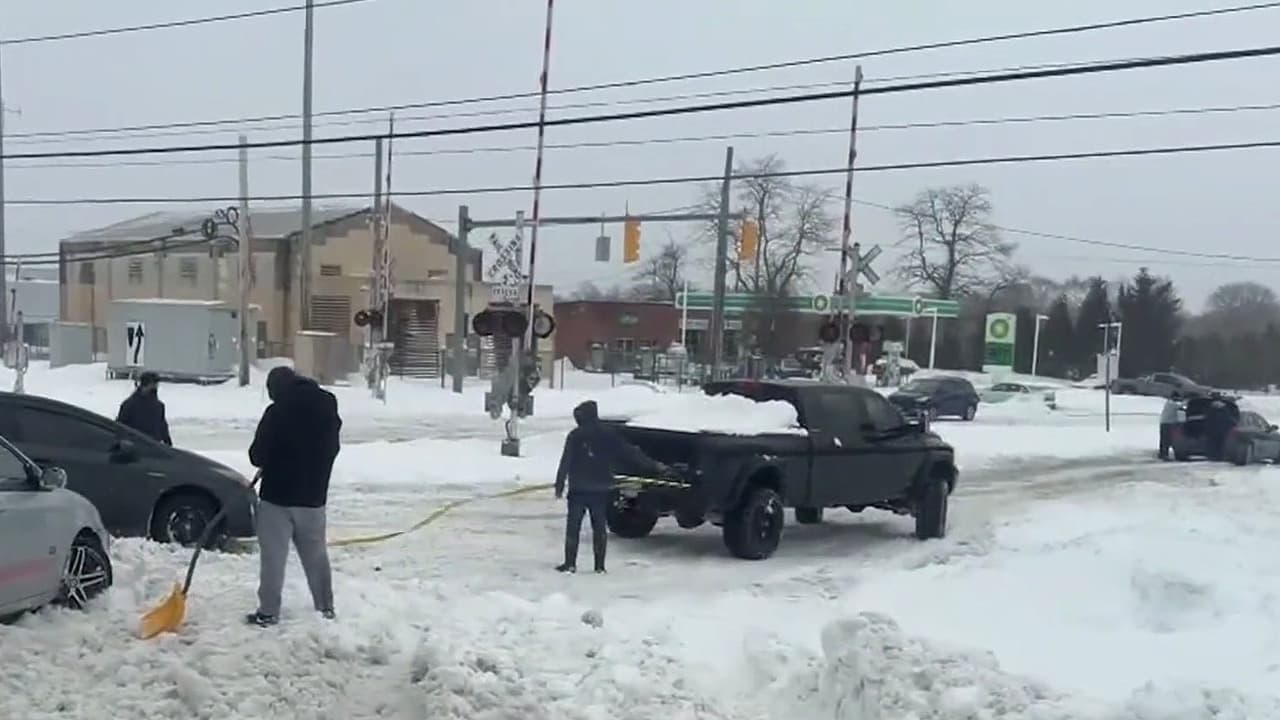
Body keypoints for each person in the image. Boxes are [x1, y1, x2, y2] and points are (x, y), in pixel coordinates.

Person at [245, 366, 342, 627]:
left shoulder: (276, 412)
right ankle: (325, 608)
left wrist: (276, 458)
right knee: (316, 557)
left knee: (273, 559)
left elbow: (257, 455)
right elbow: (333, 447)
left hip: (277, 498)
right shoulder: (327, 405)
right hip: (313, 497)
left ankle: (268, 612)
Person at [554, 400, 665, 574]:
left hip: (578, 490)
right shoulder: (608, 434)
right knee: (599, 527)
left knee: (573, 527)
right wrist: (655, 466)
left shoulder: (575, 435)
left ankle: (570, 564)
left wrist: (559, 484)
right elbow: (629, 453)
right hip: (601, 488)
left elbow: (566, 460)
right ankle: (599, 566)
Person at [116, 371, 172, 446]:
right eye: (153, 384)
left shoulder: (159, 406)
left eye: (156, 385)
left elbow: (162, 425)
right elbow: (120, 426)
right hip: (135, 447)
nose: (155, 387)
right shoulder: (130, 404)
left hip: (154, 447)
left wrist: (167, 441)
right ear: (144, 385)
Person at [1158, 391, 1184, 460]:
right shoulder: (1172, 404)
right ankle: (1164, 455)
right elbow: (1180, 406)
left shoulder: (1168, 403)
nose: (1178, 399)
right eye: (1177, 397)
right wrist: (1187, 401)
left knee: (1163, 440)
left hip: (1164, 423)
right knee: (1167, 440)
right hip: (1168, 424)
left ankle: (1162, 454)